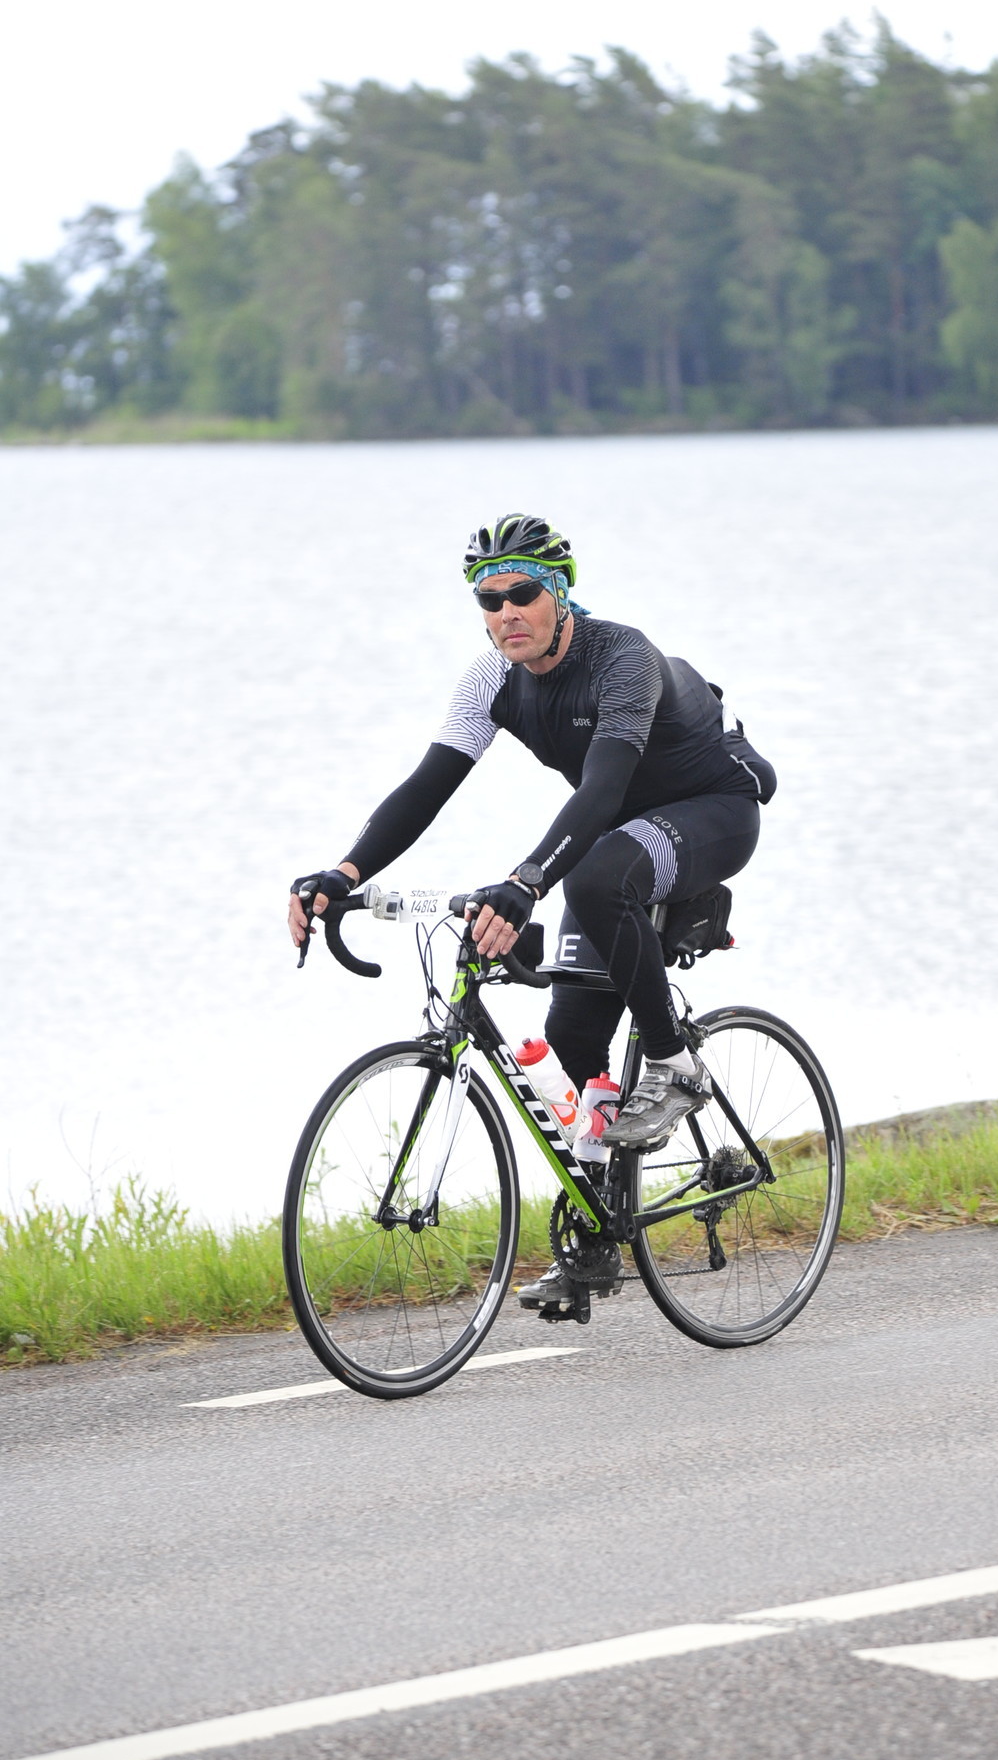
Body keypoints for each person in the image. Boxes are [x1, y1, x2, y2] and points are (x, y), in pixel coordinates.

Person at [288, 512, 775, 1309]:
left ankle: (675, 1064)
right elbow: (426, 788)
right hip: (615, 835)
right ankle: (595, 1243)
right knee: (572, 1036)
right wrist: (344, 874)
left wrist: (525, 883)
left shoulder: (623, 659)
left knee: (593, 879)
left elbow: (603, 789)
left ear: (560, 594)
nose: (506, 613)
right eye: (489, 600)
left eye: (523, 594)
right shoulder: (491, 679)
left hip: (711, 809)